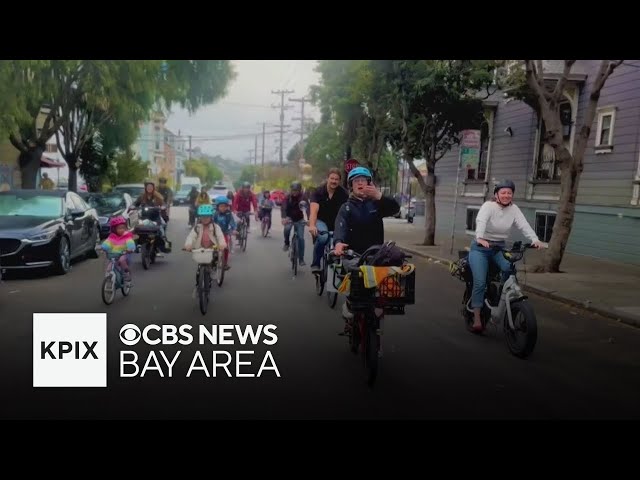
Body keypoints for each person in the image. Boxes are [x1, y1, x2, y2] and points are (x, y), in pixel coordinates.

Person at [468, 179, 545, 332]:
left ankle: (500, 299)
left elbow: (523, 225)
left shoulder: (514, 209)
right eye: (503, 192)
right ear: (496, 194)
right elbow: (481, 220)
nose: (506, 195)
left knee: (510, 270)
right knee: (480, 282)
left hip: (499, 248)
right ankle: (476, 317)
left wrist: (534, 239)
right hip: (480, 249)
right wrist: (480, 237)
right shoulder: (488, 206)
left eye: (509, 193)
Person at [332, 166, 400, 320]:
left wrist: (379, 196)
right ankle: (349, 303)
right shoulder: (346, 207)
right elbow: (339, 227)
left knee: (380, 289)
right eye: (357, 181)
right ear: (351, 185)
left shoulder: (376, 204)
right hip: (353, 255)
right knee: (356, 285)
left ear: (370, 183)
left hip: (375, 255)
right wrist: (338, 243)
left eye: (364, 180)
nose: (360, 183)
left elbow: (395, 208)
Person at [308, 167, 349, 273]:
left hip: (336, 223)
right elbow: (313, 211)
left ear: (339, 181)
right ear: (327, 178)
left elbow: (347, 212)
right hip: (321, 221)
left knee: (340, 243)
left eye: (336, 179)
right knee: (323, 238)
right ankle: (316, 263)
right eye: (332, 178)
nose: (334, 181)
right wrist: (312, 225)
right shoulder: (318, 192)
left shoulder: (344, 194)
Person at [184, 204, 227, 296]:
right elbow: (191, 237)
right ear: (200, 217)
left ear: (211, 217)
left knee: (214, 260)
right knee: (199, 270)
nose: (205, 219)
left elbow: (220, 236)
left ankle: (213, 269)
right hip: (201, 248)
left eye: (207, 217)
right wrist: (188, 245)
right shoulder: (197, 227)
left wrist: (222, 244)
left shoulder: (215, 227)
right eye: (203, 217)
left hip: (213, 248)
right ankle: (198, 285)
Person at [100, 216, 136, 285]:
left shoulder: (127, 237)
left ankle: (126, 273)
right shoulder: (112, 237)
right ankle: (109, 278)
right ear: (114, 229)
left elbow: (130, 243)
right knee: (109, 267)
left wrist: (130, 249)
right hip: (114, 255)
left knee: (121, 260)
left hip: (124, 254)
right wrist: (103, 248)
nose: (121, 230)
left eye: (123, 228)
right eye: (119, 228)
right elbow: (107, 243)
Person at [134, 179, 169, 249]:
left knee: (162, 226)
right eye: (148, 187)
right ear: (146, 188)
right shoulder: (142, 196)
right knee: (138, 228)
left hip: (155, 216)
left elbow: (164, 204)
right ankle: (138, 243)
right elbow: (135, 204)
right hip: (144, 216)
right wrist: (132, 206)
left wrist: (163, 207)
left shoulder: (157, 196)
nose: (149, 188)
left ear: (153, 188)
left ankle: (163, 241)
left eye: (151, 187)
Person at [281, 181, 308, 266]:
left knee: (300, 238)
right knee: (287, 229)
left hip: (299, 219)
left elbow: (308, 209)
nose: (294, 192)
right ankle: (286, 243)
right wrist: (284, 218)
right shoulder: (287, 197)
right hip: (289, 218)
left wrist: (309, 219)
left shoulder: (303, 198)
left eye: (296, 190)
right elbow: (283, 207)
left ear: (300, 190)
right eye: (293, 190)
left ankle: (301, 259)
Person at [212, 195, 236, 270]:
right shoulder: (215, 214)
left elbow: (232, 222)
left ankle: (224, 263)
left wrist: (233, 229)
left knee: (225, 248)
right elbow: (211, 222)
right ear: (217, 207)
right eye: (221, 206)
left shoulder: (228, 214)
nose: (223, 208)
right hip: (215, 233)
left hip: (224, 233)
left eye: (225, 206)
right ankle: (213, 261)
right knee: (213, 248)